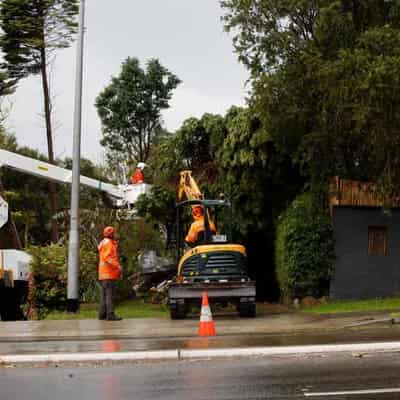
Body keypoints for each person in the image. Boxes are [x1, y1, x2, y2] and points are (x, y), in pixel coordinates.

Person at [98, 226, 122, 321]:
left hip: (103, 273)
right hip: (109, 273)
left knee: (104, 295)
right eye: (114, 233)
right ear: (111, 234)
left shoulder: (104, 242)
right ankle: (110, 315)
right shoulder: (108, 243)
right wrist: (118, 266)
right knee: (109, 295)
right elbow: (107, 258)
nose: (115, 234)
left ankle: (102, 314)